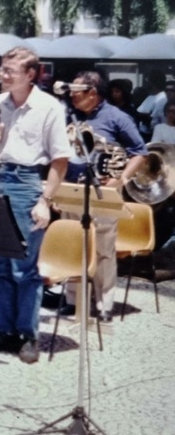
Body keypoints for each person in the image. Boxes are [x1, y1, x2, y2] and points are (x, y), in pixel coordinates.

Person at [0, 46, 69, 363]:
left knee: (25, 268)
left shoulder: (48, 107)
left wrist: (45, 201)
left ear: (30, 74)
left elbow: (60, 159)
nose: (2, 76)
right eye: (1, 69)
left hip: (28, 182)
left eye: (9, 71)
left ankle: (28, 335)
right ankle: (4, 331)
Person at [62, 71, 148, 322]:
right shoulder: (71, 115)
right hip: (73, 188)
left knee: (103, 248)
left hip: (104, 189)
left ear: (92, 92)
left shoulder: (117, 117)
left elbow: (139, 152)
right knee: (72, 243)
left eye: (76, 91)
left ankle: (103, 303)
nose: (72, 95)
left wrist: (120, 179)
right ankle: (73, 300)